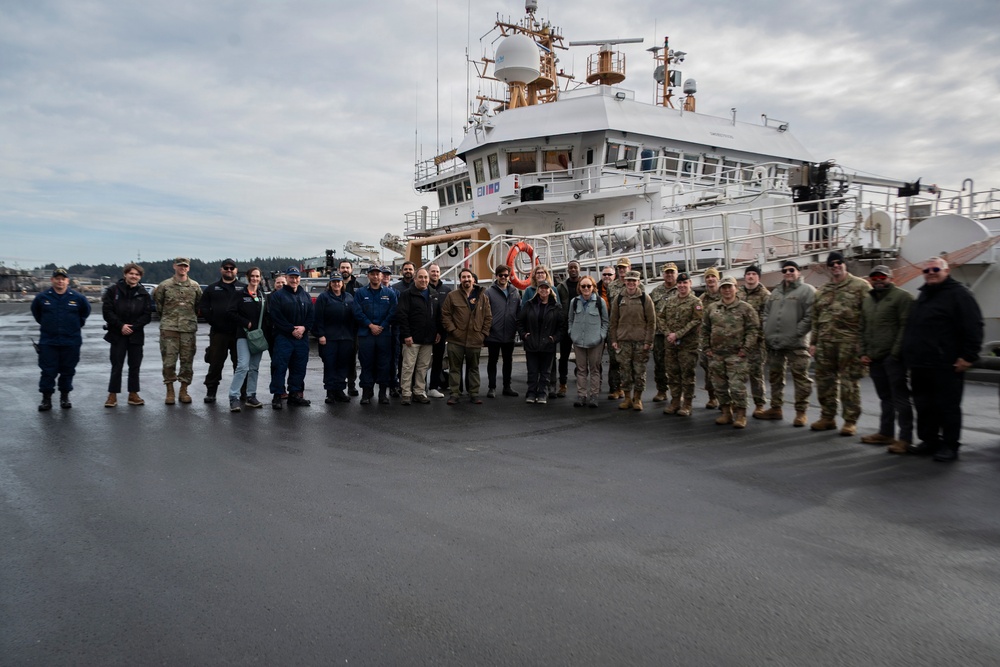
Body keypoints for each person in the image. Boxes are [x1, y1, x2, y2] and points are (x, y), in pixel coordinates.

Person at [901, 256, 984, 462]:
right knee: (924, 405)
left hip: (946, 363)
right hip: (921, 363)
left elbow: (974, 326)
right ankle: (929, 441)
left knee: (947, 406)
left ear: (946, 271)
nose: (930, 273)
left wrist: (968, 356)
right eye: (926, 270)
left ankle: (949, 445)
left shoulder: (959, 294)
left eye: (935, 269)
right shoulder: (924, 295)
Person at [809, 251, 869, 435]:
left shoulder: (861, 286)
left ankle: (850, 421)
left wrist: (864, 343)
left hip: (849, 343)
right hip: (825, 343)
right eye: (832, 264)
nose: (835, 266)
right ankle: (827, 417)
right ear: (828, 268)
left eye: (839, 262)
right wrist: (814, 342)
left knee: (849, 383)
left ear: (844, 264)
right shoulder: (822, 290)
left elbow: (868, 316)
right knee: (824, 382)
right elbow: (816, 317)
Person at [859, 265, 914, 454]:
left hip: (894, 359)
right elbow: (863, 328)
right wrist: (864, 352)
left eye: (882, 276)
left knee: (901, 399)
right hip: (875, 358)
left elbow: (906, 327)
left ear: (891, 278)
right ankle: (886, 433)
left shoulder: (902, 297)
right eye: (874, 277)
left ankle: (905, 438)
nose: (878, 280)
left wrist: (895, 354)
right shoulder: (868, 300)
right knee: (885, 398)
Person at [761, 260, 815, 427]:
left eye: (791, 270)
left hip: (796, 344)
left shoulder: (807, 291)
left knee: (801, 378)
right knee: (775, 377)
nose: (788, 273)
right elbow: (766, 314)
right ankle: (776, 408)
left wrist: (796, 332)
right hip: (775, 343)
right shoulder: (775, 293)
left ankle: (801, 412)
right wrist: (767, 330)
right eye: (784, 270)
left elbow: (811, 315)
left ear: (798, 272)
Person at [702, 276, 760, 428]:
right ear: (720, 290)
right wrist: (707, 348)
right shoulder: (712, 308)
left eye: (730, 287)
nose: (727, 290)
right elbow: (705, 329)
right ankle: (726, 413)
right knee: (719, 386)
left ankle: (740, 415)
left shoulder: (745, 308)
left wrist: (746, 348)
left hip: (736, 355)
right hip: (716, 355)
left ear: (736, 288)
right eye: (724, 287)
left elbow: (753, 329)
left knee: (736, 387)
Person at [31, 267, 91, 411]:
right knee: (47, 371)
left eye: (63, 279)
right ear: (52, 280)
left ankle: (65, 397)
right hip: (48, 342)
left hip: (71, 341)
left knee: (68, 370)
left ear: (67, 281)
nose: (60, 281)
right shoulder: (42, 298)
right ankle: (46, 399)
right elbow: (37, 314)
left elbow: (85, 313)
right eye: (57, 278)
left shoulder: (77, 298)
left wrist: (75, 325)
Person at [102, 263, 153, 407]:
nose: (134, 276)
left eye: (137, 274)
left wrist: (134, 327)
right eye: (131, 273)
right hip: (117, 334)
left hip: (136, 335)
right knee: (117, 365)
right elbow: (107, 311)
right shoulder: (113, 291)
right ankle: (112, 395)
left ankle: (133, 394)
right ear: (125, 274)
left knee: (135, 365)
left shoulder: (143, 293)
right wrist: (121, 326)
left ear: (140, 277)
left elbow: (147, 315)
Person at [154, 257, 202, 405]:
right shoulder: (164, 286)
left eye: (185, 266)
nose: (182, 268)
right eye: (180, 265)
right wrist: (170, 320)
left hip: (188, 330)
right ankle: (170, 390)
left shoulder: (195, 287)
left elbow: (198, 306)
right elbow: (159, 306)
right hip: (169, 329)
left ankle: (183, 390)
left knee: (187, 362)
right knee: (168, 362)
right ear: (174, 266)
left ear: (188, 268)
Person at [441, 268, 492, 405]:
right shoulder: (452, 296)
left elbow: (488, 317)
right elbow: (445, 315)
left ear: (473, 279)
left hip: (475, 339)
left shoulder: (483, 296)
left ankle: (474, 393)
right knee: (454, 368)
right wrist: (453, 331)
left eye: (468, 277)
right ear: (460, 280)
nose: (466, 279)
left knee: (473, 368)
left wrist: (483, 334)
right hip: (455, 340)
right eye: (463, 277)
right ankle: (454, 394)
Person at [199, 259, 247, 404]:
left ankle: (242, 393)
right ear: (221, 270)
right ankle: (211, 392)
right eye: (226, 268)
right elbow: (204, 308)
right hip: (219, 333)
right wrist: (214, 321)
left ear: (236, 270)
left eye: (232, 268)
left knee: (240, 365)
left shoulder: (243, 288)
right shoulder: (212, 288)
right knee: (215, 363)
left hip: (238, 333)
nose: (229, 270)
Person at [268, 266, 315, 408]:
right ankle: (277, 395)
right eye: (291, 277)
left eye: (296, 277)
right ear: (286, 278)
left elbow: (311, 315)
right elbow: (276, 316)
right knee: (279, 366)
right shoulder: (278, 296)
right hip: (284, 337)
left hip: (302, 338)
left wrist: (304, 328)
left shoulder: (305, 296)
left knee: (299, 366)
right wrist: (291, 329)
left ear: (299, 279)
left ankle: (294, 394)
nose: (294, 280)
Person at [609, 270, 655, 411]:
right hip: (623, 341)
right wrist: (614, 339)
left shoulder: (644, 298)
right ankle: (627, 398)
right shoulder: (618, 298)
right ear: (625, 281)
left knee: (639, 372)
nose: (630, 283)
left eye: (633, 281)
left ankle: (638, 398)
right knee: (625, 371)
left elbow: (651, 321)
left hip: (640, 341)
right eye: (628, 280)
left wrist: (648, 341)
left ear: (638, 282)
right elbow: (613, 321)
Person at [658, 272, 702, 416]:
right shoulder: (670, 301)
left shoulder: (695, 302)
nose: (682, 286)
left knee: (687, 375)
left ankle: (687, 404)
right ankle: (675, 401)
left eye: (685, 283)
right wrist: (668, 334)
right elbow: (661, 318)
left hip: (688, 345)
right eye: (680, 283)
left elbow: (696, 321)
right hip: (671, 344)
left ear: (690, 283)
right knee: (672, 374)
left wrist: (678, 334)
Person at [352, 265, 398, 405]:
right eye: (372, 274)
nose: (375, 276)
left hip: (384, 335)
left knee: (384, 364)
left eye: (378, 274)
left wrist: (382, 326)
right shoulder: (360, 293)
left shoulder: (390, 293)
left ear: (381, 276)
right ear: (369, 276)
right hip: (366, 334)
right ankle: (366, 393)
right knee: (367, 364)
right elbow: (357, 312)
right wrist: (370, 325)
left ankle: (383, 394)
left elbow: (393, 312)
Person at [395, 268, 442, 405]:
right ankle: (406, 393)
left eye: (426, 277)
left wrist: (438, 332)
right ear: (415, 279)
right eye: (420, 277)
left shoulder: (434, 294)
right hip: (412, 339)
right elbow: (402, 315)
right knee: (408, 367)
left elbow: (438, 316)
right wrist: (406, 335)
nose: (424, 280)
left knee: (423, 367)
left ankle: (419, 392)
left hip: (428, 339)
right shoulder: (407, 294)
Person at [226, 266, 267, 411]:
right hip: (243, 335)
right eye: (253, 276)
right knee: (243, 366)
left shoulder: (262, 295)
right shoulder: (240, 294)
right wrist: (245, 323)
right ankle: (234, 397)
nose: (255, 279)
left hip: (258, 337)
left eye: (258, 276)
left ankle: (251, 396)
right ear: (248, 277)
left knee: (254, 368)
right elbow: (230, 312)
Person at [518, 279, 564, 404]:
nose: (544, 290)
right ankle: (531, 392)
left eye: (546, 288)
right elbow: (520, 322)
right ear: (537, 290)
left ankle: (543, 393)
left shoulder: (556, 307)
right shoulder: (529, 304)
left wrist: (554, 338)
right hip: (531, 343)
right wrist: (524, 335)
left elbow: (561, 327)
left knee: (546, 371)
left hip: (547, 344)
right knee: (532, 371)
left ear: (550, 290)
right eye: (541, 288)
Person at [314, 273, 355, 404]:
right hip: (329, 338)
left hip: (346, 338)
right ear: (330, 284)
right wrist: (320, 334)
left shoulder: (349, 297)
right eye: (334, 282)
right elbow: (318, 317)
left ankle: (340, 390)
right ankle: (330, 392)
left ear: (342, 283)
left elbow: (354, 318)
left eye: (339, 281)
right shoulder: (323, 298)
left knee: (343, 365)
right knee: (330, 365)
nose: (336, 284)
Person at [567, 276, 608, 407]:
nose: (586, 288)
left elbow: (605, 322)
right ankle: (581, 395)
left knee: (595, 369)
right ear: (579, 287)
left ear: (593, 287)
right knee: (581, 369)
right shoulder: (574, 302)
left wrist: (601, 336)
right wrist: (571, 333)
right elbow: (570, 320)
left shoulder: (599, 302)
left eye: (588, 286)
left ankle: (594, 396)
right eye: (583, 286)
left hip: (595, 342)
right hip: (578, 341)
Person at [737, 265, 771, 417]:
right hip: (739, 341)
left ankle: (759, 404)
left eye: (753, 274)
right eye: (748, 274)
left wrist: (757, 335)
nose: (750, 276)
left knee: (756, 374)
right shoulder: (738, 293)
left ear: (758, 277)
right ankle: (738, 404)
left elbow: (767, 318)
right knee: (738, 374)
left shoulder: (765, 295)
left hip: (757, 342)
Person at [484, 264, 521, 398]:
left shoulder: (515, 292)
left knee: (508, 361)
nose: (503, 277)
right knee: (492, 361)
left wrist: (517, 328)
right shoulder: (488, 292)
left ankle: (507, 387)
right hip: (494, 333)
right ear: (497, 276)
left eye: (506, 275)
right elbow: (484, 313)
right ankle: (492, 387)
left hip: (509, 334)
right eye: (501, 275)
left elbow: (518, 312)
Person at [650, 262, 679, 402]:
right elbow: (650, 312)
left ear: (676, 274)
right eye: (667, 272)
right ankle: (662, 391)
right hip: (659, 335)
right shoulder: (656, 291)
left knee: (677, 364)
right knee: (659, 363)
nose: (669, 274)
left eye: (672, 272)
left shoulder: (682, 289)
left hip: (675, 335)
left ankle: (678, 393)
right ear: (663, 274)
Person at [555, 260, 583, 396]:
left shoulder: (585, 285)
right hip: (566, 326)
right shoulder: (561, 287)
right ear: (568, 270)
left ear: (579, 269)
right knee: (564, 356)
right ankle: (562, 384)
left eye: (575, 268)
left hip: (581, 326)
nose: (573, 270)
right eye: (570, 268)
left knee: (583, 357)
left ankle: (584, 384)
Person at [426, 263, 452, 398]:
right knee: (422, 361)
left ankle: (433, 387)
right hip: (425, 331)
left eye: (437, 271)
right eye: (433, 271)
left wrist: (442, 331)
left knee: (437, 360)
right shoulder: (423, 288)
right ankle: (420, 387)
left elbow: (448, 312)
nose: (435, 274)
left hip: (440, 332)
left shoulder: (447, 290)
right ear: (428, 273)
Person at [699, 267, 723, 408]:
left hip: (723, 341)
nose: (710, 279)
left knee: (724, 371)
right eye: (708, 277)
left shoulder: (725, 295)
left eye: (713, 277)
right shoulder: (702, 299)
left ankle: (725, 399)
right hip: (707, 341)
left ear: (717, 279)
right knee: (708, 369)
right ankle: (712, 397)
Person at [339, 260, 361, 396]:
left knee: (352, 358)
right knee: (339, 358)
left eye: (347, 267)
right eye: (342, 267)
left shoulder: (358, 286)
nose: (345, 270)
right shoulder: (332, 285)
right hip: (337, 329)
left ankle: (351, 385)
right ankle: (339, 385)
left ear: (352, 270)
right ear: (339, 269)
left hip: (353, 329)